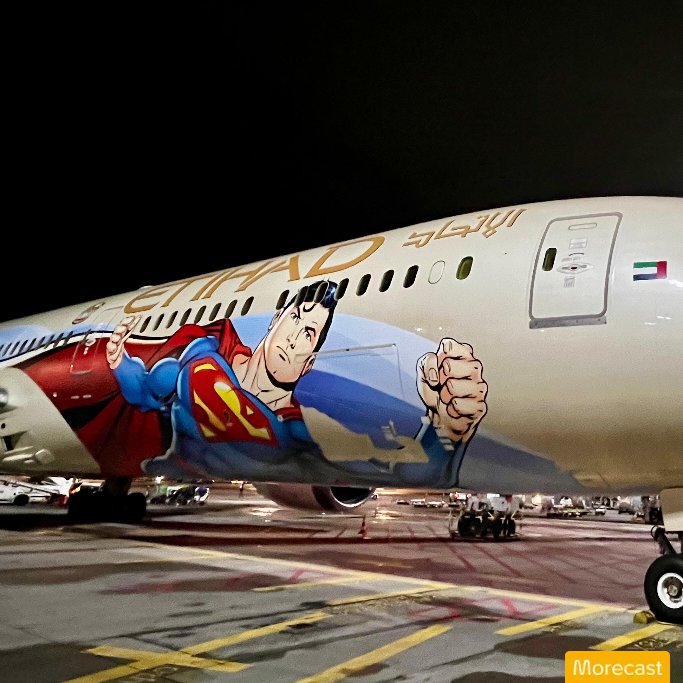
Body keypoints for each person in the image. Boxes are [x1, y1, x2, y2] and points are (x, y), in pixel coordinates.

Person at [106, 281, 339, 480]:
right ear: (276, 318)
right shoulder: (206, 354)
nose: (292, 338)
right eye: (295, 317)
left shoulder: (296, 431)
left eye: (308, 334)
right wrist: (120, 364)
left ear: (309, 363)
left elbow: (331, 469)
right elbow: (146, 391)